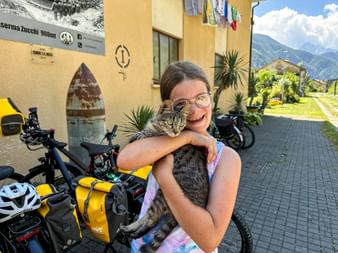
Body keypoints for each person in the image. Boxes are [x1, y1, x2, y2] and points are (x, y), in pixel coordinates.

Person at [117, 61, 241, 253]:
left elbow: (209, 241)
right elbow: (123, 161)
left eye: (201, 97)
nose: (193, 110)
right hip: (140, 248)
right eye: (182, 104)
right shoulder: (164, 138)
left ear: (211, 97)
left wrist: (165, 178)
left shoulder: (226, 158)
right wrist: (188, 137)